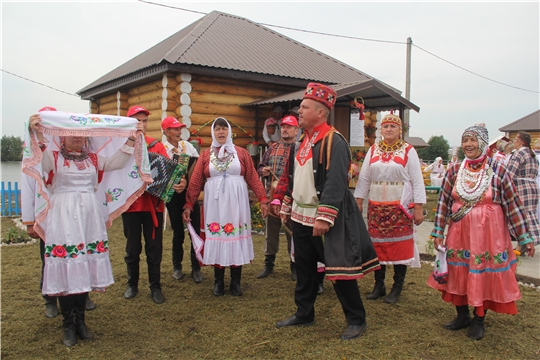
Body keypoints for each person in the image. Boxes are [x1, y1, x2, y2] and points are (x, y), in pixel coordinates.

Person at [24, 110, 149, 346]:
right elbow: (38, 156)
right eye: (72, 134)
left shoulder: (93, 158)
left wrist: (132, 139)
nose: (77, 138)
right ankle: (68, 325)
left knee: (84, 267)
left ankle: (81, 321)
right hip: (63, 213)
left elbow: (117, 163)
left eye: (81, 134)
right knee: (68, 267)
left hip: (88, 214)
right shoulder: (53, 157)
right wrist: (36, 131)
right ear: (62, 136)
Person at [274, 83, 379, 341]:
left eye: (304, 107)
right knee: (305, 267)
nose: (299, 111)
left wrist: (324, 217)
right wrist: (288, 204)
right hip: (300, 216)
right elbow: (294, 176)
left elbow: (335, 182)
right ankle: (304, 312)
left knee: (338, 269)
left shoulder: (335, 141)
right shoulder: (302, 140)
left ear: (321, 113)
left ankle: (357, 319)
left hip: (323, 218)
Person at [428, 124, 535, 341]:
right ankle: (462, 316)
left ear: (484, 143)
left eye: (473, 140)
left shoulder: (498, 170)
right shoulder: (455, 171)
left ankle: (479, 320)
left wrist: (525, 237)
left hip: (489, 235)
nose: (468, 144)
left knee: (482, 272)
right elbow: (443, 203)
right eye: (465, 140)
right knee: (458, 272)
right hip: (459, 233)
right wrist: (438, 231)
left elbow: (513, 205)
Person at [21, 107, 97, 319]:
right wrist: (30, 219)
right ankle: (51, 298)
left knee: (82, 256)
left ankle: (81, 301)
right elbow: (29, 183)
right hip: (55, 211)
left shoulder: (86, 153)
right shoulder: (41, 149)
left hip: (81, 212)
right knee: (53, 258)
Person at [182, 117, 269, 296]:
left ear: (230, 131)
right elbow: (196, 180)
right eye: (217, 129)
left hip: (237, 203)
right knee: (218, 235)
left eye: (224, 128)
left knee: (234, 235)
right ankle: (218, 281)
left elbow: (252, 176)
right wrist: (189, 204)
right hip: (215, 205)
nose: (221, 132)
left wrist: (263, 199)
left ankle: (236, 282)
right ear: (213, 133)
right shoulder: (206, 155)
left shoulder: (242, 153)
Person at [354, 113, 426, 304]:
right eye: (385, 126)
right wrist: (359, 201)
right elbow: (364, 178)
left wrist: (418, 207)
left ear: (399, 130)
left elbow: (417, 180)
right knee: (377, 245)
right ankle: (379, 285)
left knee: (399, 246)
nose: (388, 129)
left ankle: (397, 286)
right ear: (380, 130)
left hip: (399, 205)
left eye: (393, 127)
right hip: (376, 205)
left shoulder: (408, 151)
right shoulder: (374, 150)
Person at [122, 106, 169, 304]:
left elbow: (168, 171)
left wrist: (177, 182)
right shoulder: (122, 146)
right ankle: (132, 284)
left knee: (154, 247)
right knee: (132, 248)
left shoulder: (156, 145)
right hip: (131, 206)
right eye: (136, 120)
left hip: (153, 206)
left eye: (144, 120)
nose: (141, 124)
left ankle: (155, 286)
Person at [256, 115, 299, 280]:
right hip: (272, 195)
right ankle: (269, 264)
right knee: (270, 231)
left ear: (296, 130)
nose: (285, 130)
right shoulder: (272, 148)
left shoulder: (300, 149)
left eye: (289, 127)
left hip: (293, 198)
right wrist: (263, 171)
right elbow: (260, 167)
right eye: (283, 127)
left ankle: (294, 265)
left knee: (293, 231)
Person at [161, 116, 203, 283]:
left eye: (180, 129)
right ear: (166, 131)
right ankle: (177, 267)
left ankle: (196, 267)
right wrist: (173, 186)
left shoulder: (188, 146)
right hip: (173, 197)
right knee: (178, 232)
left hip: (190, 195)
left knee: (195, 232)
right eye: (175, 129)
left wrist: (187, 182)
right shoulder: (161, 149)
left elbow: (197, 169)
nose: (179, 132)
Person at [506, 131, 540, 247]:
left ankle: (523, 243)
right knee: (530, 214)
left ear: (520, 142)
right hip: (533, 187)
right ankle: (527, 242)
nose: (513, 142)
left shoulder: (519, 154)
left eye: (515, 140)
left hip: (521, 187)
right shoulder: (532, 154)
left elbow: (510, 173)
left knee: (521, 216)